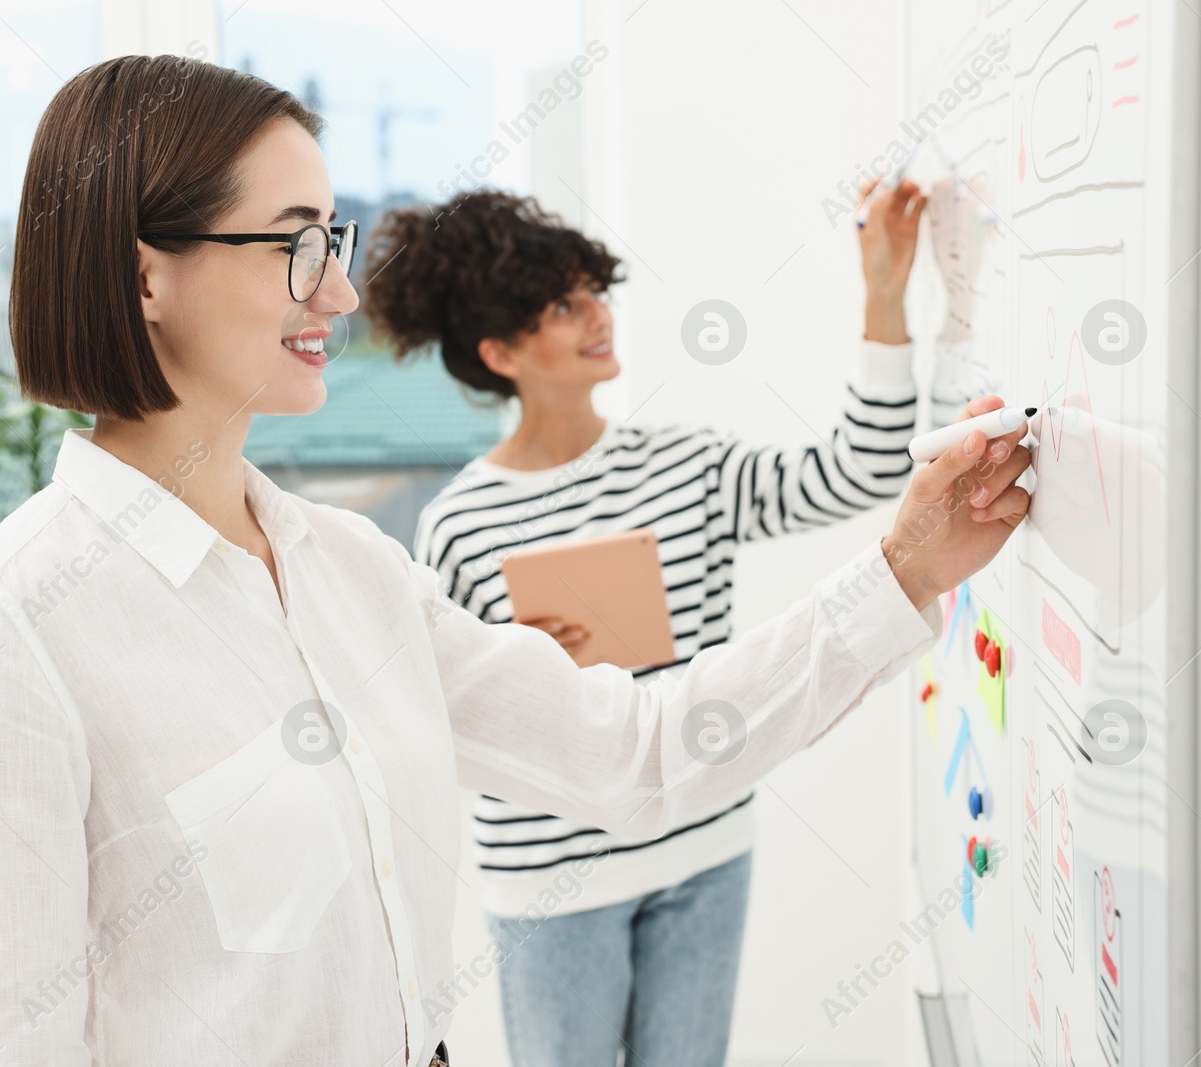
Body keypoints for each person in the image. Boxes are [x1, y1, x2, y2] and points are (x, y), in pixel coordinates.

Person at [0, 55, 1032, 1067]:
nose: (335, 291)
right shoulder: (11, 623)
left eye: (330, 241)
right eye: (296, 244)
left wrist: (906, 569)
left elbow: (633, 755)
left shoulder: (350, 569)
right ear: (146, 277)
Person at [365, 188, 948, 1067]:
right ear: (501, 351)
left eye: (593, 291)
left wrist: (883, 297)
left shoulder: (688, 467)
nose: (598, 315)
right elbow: (437, 720)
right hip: (553, 885)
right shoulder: (460, 523)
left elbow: (860, 470)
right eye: (564, 306)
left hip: (706, 845)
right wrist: (525, 675)